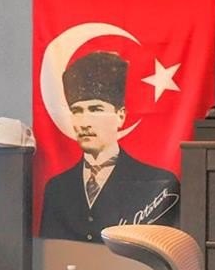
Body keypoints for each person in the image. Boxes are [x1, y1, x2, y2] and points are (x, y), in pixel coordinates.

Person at [40, 50, 181, 241]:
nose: (84, 123)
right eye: (77, 111)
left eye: (96, 109)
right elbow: (50, 251)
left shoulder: (159, 184)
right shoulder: (57, 188)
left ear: (120, 116)